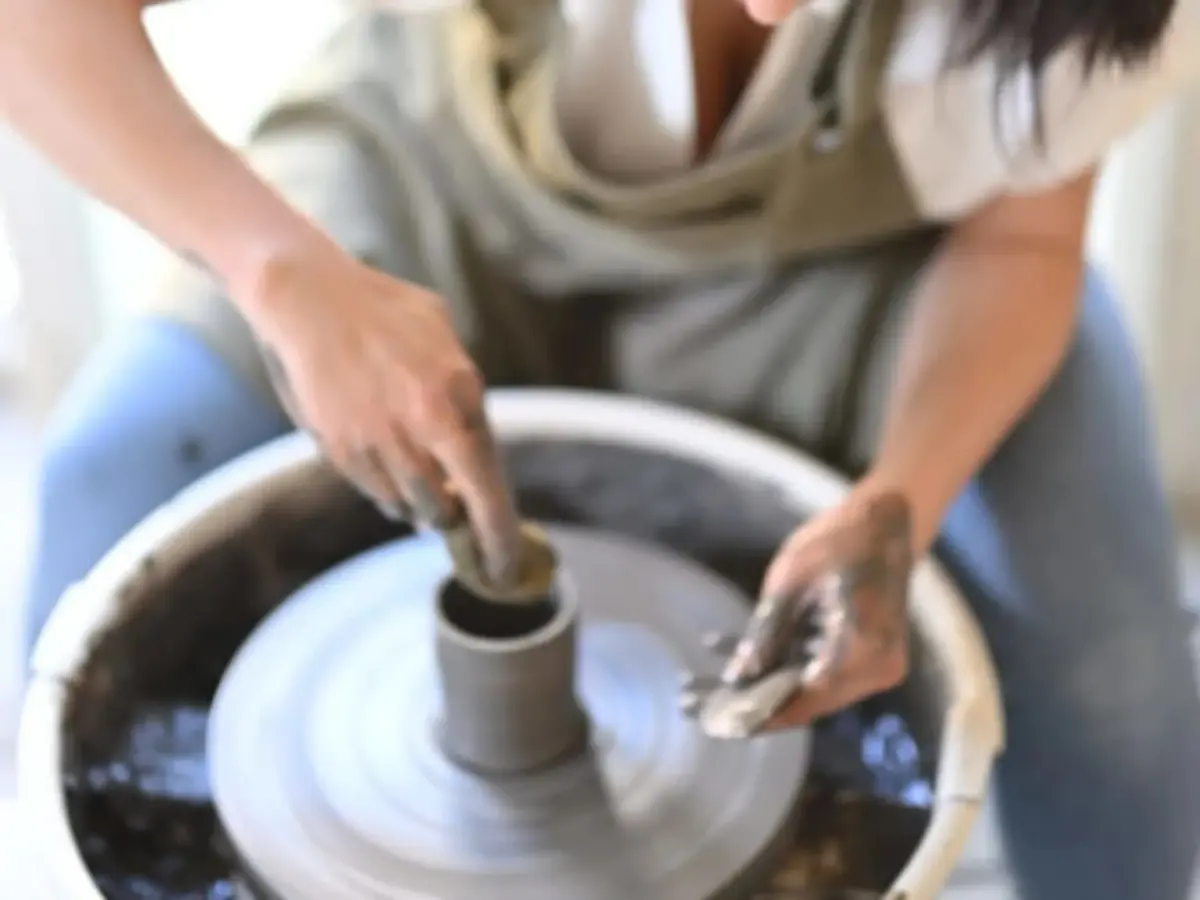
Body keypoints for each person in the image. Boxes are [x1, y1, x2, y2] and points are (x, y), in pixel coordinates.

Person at [2, 0, 1199, 895]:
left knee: (1117, 685)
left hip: (861, 267)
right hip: (436, 182)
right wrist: (277, 269)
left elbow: (1021, 248)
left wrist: (900, 499)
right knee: (112, 472)